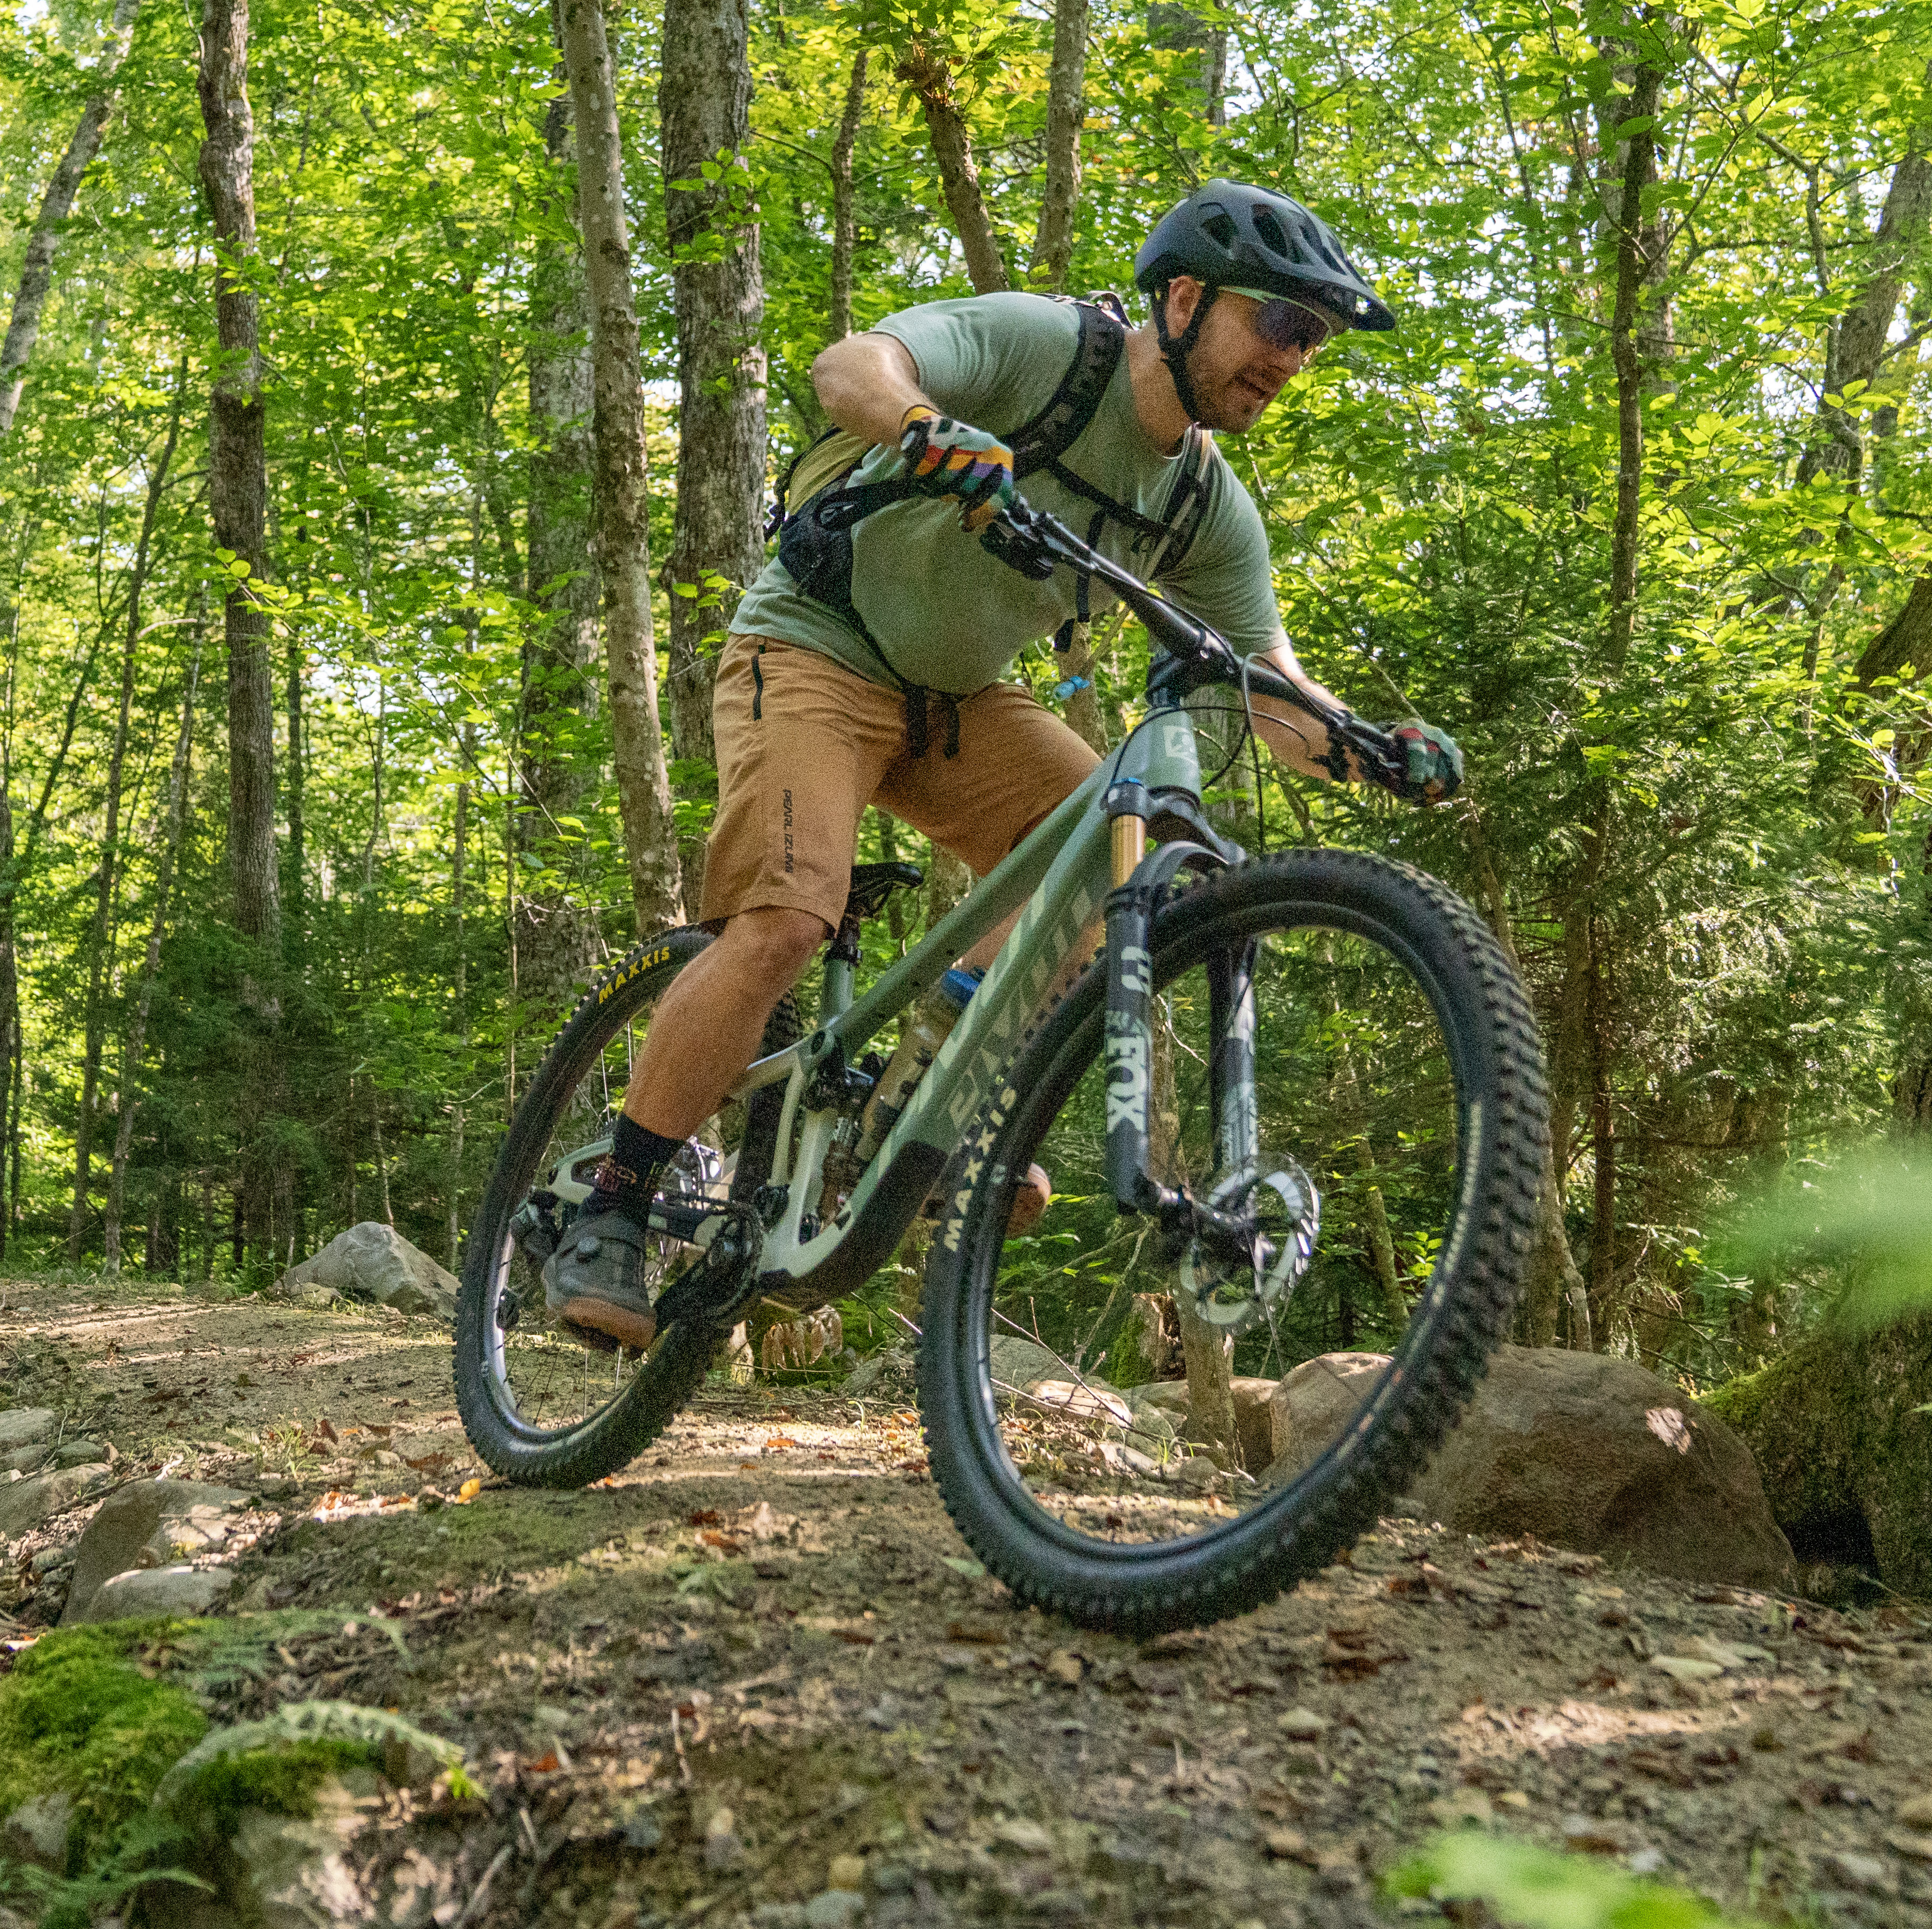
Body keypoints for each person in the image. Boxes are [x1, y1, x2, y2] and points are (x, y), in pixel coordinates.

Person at [539, 179, 1466, 1348]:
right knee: (782, 924)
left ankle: (919, 1109)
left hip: (961, 701)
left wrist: (1376, 748)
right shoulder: (1046, 349)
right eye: (1279, 323)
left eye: (1314, 340)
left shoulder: (1203, 504)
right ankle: (616, 1207)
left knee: (1108, 838)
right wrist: (926, 429)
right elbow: (849, 369)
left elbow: (1268, 686)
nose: (1294, 358)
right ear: (1182, 300)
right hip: (817, 647)